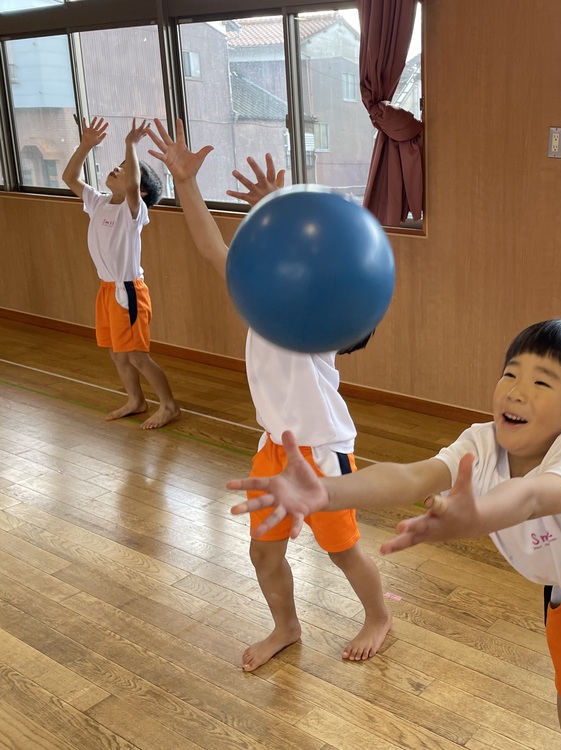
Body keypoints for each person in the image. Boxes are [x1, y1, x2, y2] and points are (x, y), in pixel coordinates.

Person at [229, 318, 561, 750]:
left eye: (542, 383)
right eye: (510, 373)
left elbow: (535, 496)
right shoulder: (481, 442)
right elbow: (409, 477)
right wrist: (326, 491)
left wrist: (478, 516)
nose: (516, 391)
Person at [146, 118, 391, 669]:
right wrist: (185, 182)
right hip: (274, 446)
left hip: (323, 450)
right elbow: (214, 250)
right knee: (263, 551)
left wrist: (285, 203)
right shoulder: (262, 306)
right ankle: (286, 626)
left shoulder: (315, 324)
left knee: (343, 550)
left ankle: (379, 616)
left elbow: (324, 252)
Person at [62, 116, 180, 429]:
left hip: (128, 292)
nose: (117, 169)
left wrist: (131, 144)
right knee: (117, 354)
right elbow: (70, 177)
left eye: (125, 169)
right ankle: (136, 400)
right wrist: (86, 146)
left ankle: (169, 406)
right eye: (118, 164)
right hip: (106, 289)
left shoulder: (134, 212)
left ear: (139, 192)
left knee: (138, 356)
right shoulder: (98, 202)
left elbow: (131, 186)